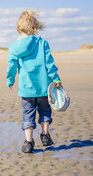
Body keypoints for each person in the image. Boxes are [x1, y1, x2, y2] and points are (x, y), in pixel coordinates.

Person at [6, 10, 62, 153]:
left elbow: (11, 66)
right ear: (34, 27)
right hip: (44, 87)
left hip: (26, 89)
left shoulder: (14, 48)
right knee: (45, 111)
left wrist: (10, 80)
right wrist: (56, 78)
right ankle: (45, 135)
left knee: (28, 114)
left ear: (18, 28)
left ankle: (29, 143)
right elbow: (49, 63)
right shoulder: (42, 43)